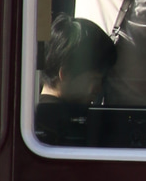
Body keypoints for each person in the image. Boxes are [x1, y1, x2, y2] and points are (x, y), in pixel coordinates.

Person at [34, 14, 115, 143]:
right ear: (66, 73)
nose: (99, 88)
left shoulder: (31, 116)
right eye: (94, 79)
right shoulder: (67, 123)